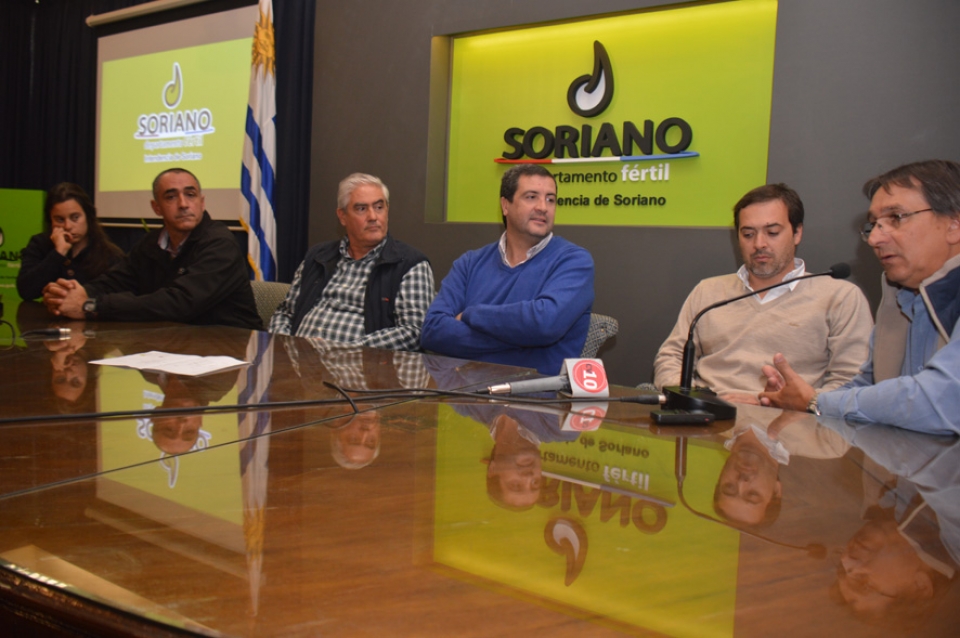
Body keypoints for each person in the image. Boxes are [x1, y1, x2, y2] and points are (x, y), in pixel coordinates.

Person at [760, 160, 960, 435]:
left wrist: (816, 402)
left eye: (896, 217)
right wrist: (798, 397)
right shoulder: (900, 295)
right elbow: (867, 386)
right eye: (873, 224)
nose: (875, 238)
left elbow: (941, 402)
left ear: (954, 225)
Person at [654, 183, 873, 403]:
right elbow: (671, 358)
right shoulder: (708, 291)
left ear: (797, 233)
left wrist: (791, 403)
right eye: (748, 234)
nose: (759, 244)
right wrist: (696, 400)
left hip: (791, 418)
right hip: (709, 413)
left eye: (772, 232)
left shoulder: (840, 297)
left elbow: (852, 382)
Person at [420, 164, 594, 375]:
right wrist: (522, 340)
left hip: (535, 393)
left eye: (550, 199)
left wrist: (470, 315)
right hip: (465, 392)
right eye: (531, 197)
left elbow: (545, 324)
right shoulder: (469, 263)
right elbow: (433, 331)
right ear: (505, 205)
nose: (543, 207)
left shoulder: (573, 261)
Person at [41, 168, 262, 329]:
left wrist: (90, 306)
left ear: (202, 203)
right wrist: (74, 295)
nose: (183, 204)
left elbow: (179, 303)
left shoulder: (220, 244)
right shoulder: (151, 243)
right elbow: (116, 281)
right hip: (176, 346)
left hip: (232, 352)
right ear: (156, 207)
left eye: (190, 194)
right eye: (171, 197)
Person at [268, 173, 434, 351]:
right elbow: (285, 313)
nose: (373, 216)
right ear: (342, 216)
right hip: (298, 360)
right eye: (361, 209)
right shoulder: (318, 256)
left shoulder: (409, 264)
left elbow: (414, 332)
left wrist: (342, 349)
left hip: (361, 364)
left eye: (379, 207)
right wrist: (287, 347)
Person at [17, 183, 124, 300]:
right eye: (59, 220)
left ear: (88, 216)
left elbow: (118, 299)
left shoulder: (110, 255)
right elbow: (26, 291)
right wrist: (58, 253)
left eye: (75, 218)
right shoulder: (39, 244)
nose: (67, 226)